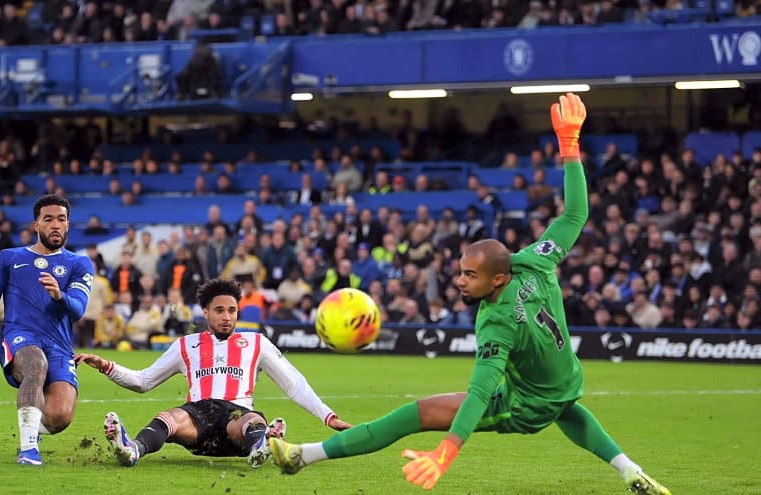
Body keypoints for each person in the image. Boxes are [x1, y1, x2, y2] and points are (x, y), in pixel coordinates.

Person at [268, 94, 671, 495]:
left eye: (470, 275)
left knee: (407, 417)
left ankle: (303, 455)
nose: (460, 281)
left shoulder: (496, 322)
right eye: (461, 271)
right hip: (565, 381)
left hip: (523, 404)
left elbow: (479, 394)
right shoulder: (534, 261)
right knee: (565, 409)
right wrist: (570, 145)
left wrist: (447, 450)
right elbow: (574, 215)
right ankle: (630, 469)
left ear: (497, 280)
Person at [74, 278, 351, 469]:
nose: (227, 316)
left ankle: (259, 446)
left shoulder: (256, 343)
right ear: (205, 312)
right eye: (219, 310)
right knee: (169, 417)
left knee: (250, 419)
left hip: (236, 417)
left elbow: (293, 384)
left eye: (232, 310)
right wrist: (107, 367)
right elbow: (143, 381)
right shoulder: (187, 345)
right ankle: (132, 450)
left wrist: (327, 416)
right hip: (198, 420)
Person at [0, 194, 95, 466]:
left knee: (60, 416)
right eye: (48, 219)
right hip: (19, 336)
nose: (55, 225)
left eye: (61, 219)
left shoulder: (79, 264)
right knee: (35, 364)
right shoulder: (9, 258)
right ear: (36, 224)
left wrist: (60, 296)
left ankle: (33, 428)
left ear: (68, 224)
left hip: (59, 346)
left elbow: (78, 309)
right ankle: (28, 450)